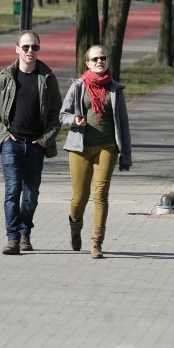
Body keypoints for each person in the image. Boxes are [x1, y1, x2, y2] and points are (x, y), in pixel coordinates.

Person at [0, 30, 62, 255]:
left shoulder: (47, 78)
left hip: (36, 145)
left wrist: (45, 139)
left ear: (39, 49)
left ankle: (25, 230)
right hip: (11, 142)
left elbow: (56, 113)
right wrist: (2, 134)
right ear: (16, 48)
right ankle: (13, 238)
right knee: (12, 190)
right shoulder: (5, 77)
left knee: (30, 196)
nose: (30, 51)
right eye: (26, 47)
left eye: (34, 47)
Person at [59, 45, 132, 259]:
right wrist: (75, 119)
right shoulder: (78, 86)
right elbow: (62, 114)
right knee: (79, 197)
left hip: (107, 147)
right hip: (80, 147)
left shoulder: (115, 90)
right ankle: (75, 228)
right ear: (87, 63)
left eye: (103, 58)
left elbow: (124, 125)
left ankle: (96, 242)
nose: (99, 61)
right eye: (95, 59)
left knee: (101, 194)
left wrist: (126, 156)